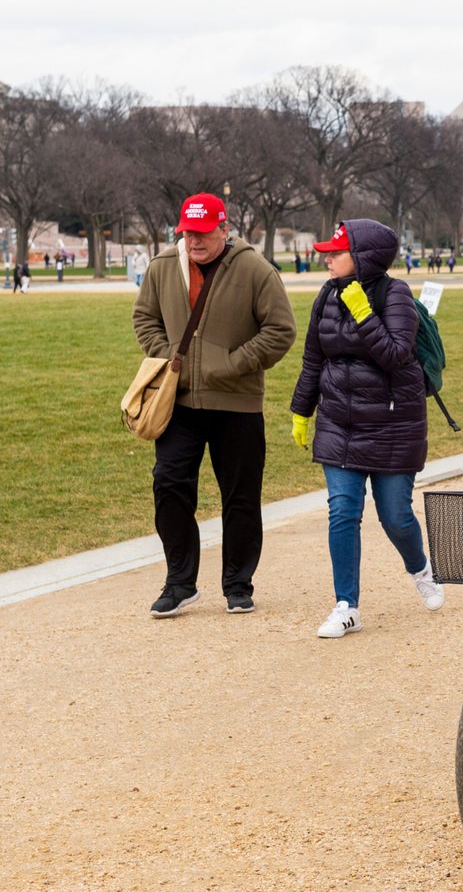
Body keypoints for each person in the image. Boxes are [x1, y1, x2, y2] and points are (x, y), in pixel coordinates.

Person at [133, 193, 296, 617]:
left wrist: (232, 365)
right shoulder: (162, 266)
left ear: (224, 229)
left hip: (237, 404)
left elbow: (280, 330)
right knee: (169, 484)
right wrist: (169, 357)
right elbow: (144, 317)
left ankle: (238, 584)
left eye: (203, 233)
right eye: (188, 233)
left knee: (240, 497)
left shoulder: (256, 269)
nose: (195, 241)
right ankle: (179, 582)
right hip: (179, 402)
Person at [289, 219, 445, 639]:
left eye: (336, 253)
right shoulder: (326, 295)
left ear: (363, 257)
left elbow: (394, 354)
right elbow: (313, 359)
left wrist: (363, 312)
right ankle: (347, 606)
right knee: (343, 510)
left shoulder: (396, 294)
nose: (327, 260)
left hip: (393, 423)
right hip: (339, 422)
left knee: (395, 517)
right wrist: (301, 410)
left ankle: (420, 568)